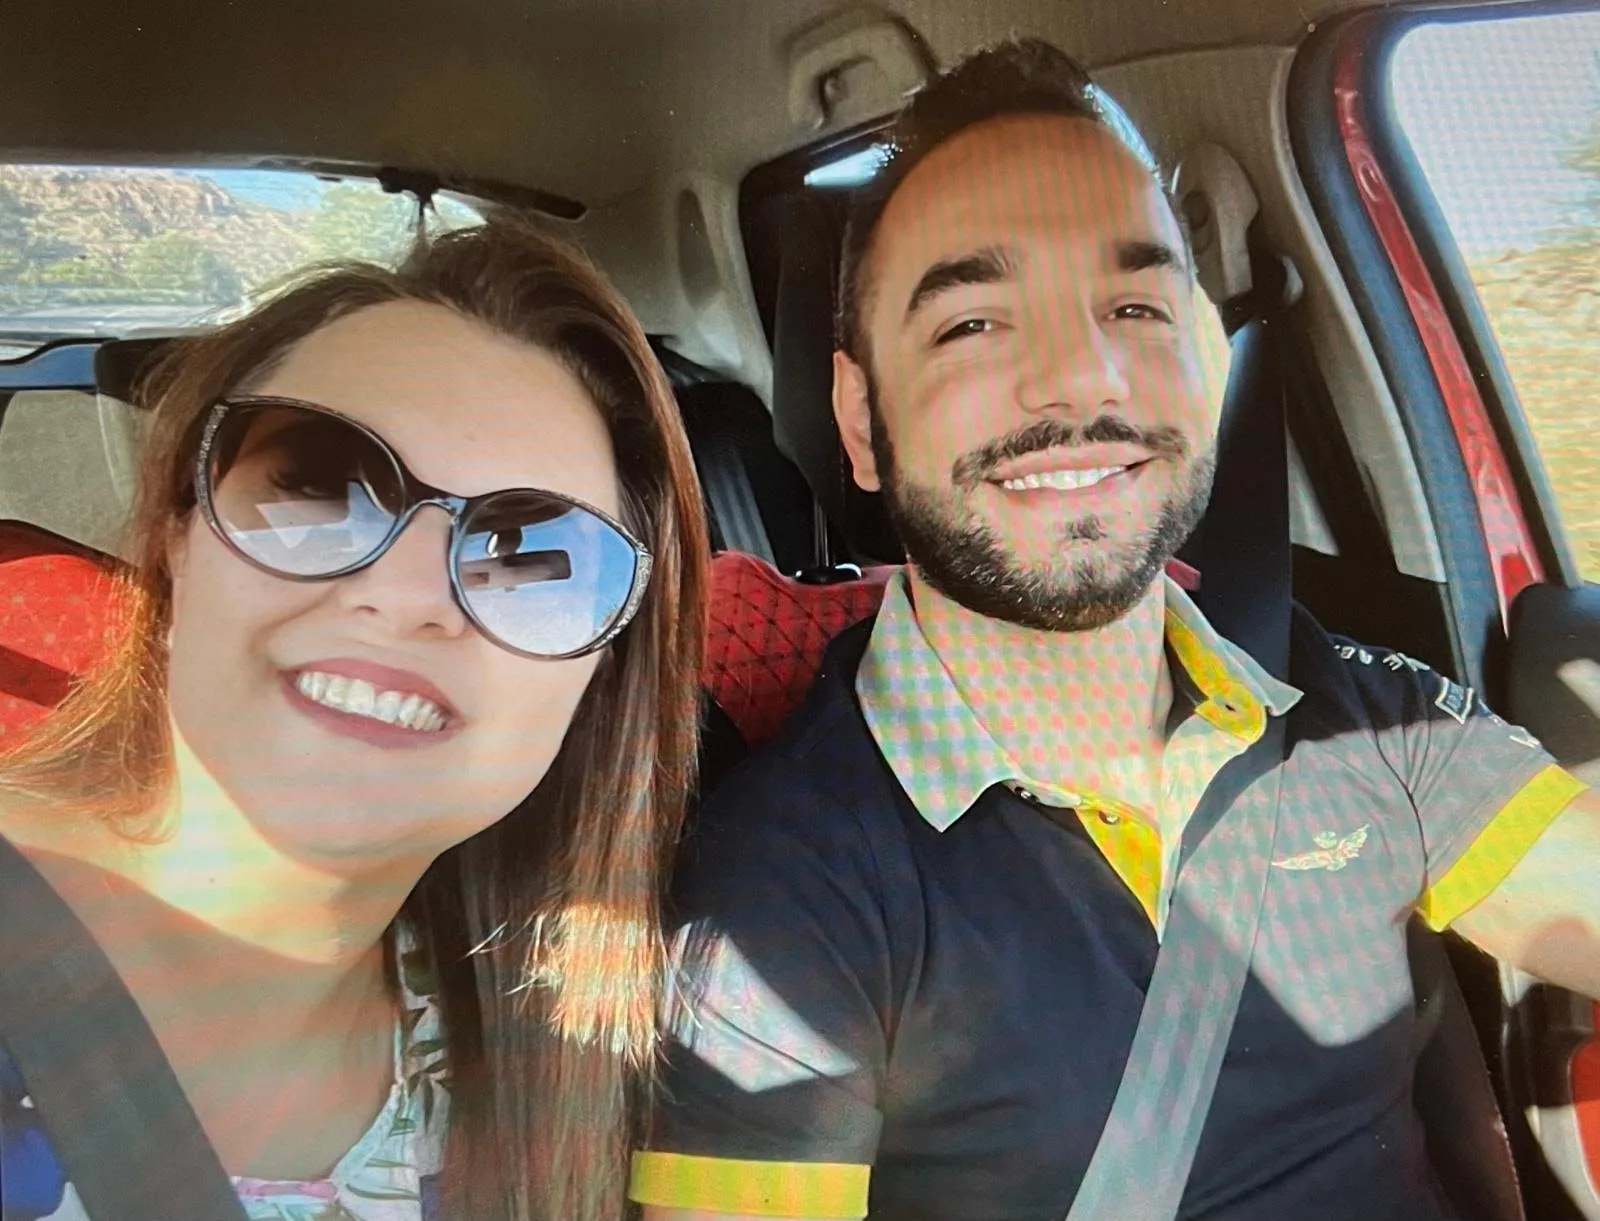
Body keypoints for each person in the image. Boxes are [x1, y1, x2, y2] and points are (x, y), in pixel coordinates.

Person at [628, 38, 1600, 1221]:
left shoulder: (1360, 718)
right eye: (973, 324)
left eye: (1135, 306)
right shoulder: (779, 895)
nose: (1081, 379)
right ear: (861, 419)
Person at [0, 216, 708, 1221]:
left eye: (532, 555)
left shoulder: (548, 1050)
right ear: (177, 540)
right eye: (320, 485)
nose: (405, 595)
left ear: (600, 675)